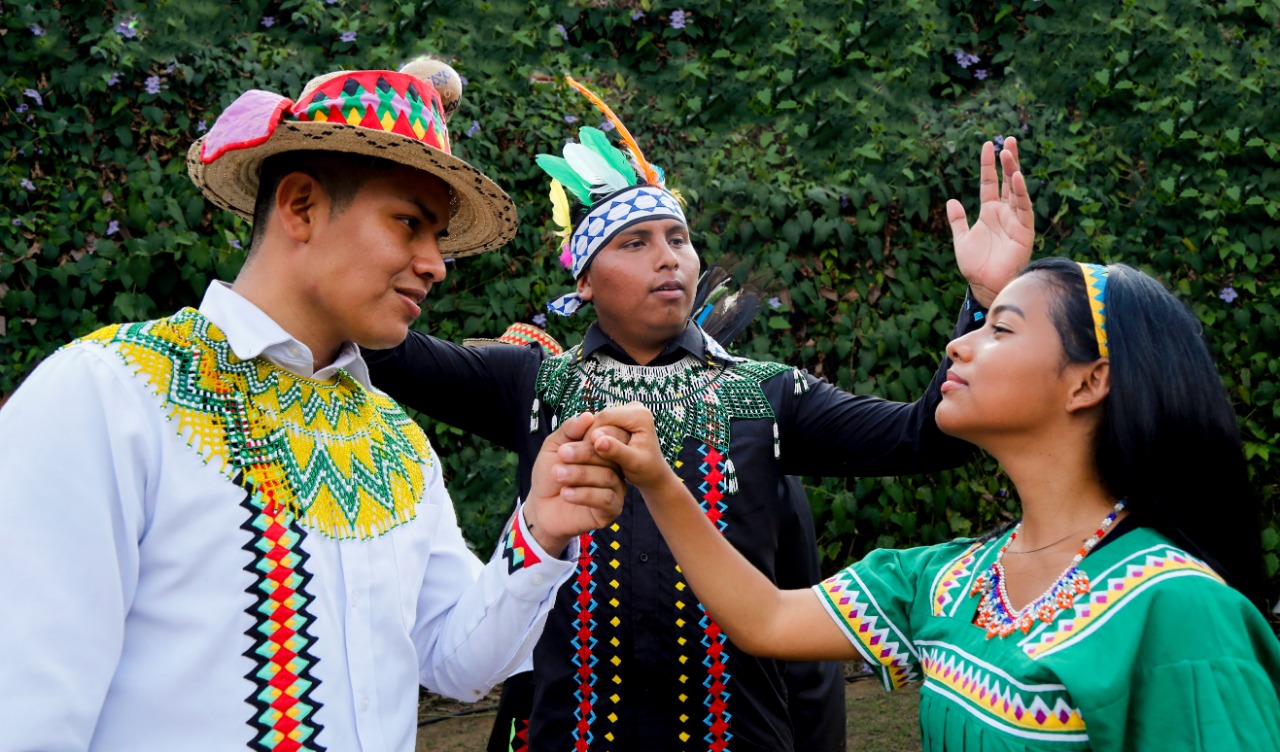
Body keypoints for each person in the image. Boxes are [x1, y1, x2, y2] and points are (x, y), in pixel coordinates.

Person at [364, 75, 1035, 751]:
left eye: (678, 239)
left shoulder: (769, 396)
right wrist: (380, 171)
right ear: (586, 280)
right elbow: (381, 350)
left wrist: (986, 301)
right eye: (636, 243)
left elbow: (924, 438)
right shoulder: (534, 385)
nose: (669, 259)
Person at [0, 62, 627, 751]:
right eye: (409, 224)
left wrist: (539, 528)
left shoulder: (395, 442)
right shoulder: (111, 397)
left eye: (437, 237)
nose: (435, 263)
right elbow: (28, 713)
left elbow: (455, 661)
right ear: (300, 206)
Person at [587, 257, 1280, 749]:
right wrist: (657, 480)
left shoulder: (1177, 611)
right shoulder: (949, 580)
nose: (958, 344)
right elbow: (764, 618)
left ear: (1088, 381)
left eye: (999, 330)